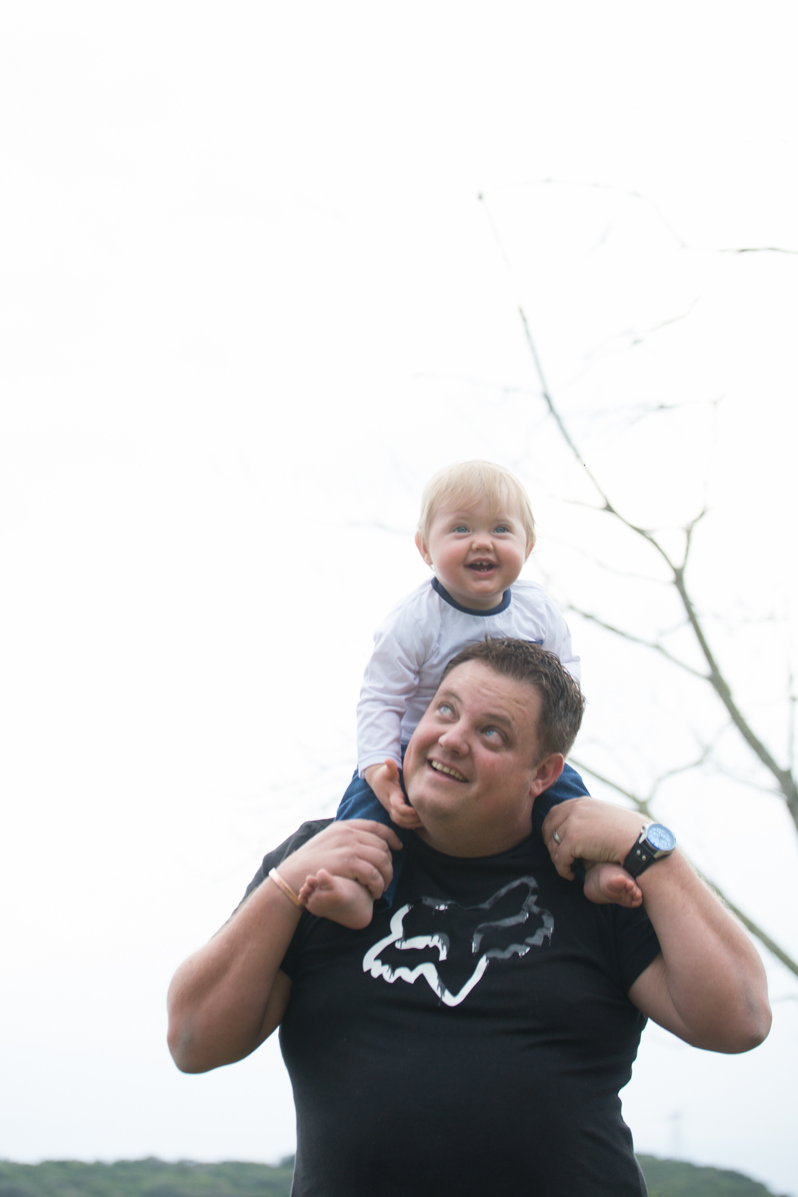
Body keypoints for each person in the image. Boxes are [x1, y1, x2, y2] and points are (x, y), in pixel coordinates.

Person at [167, 639, 771, 1197]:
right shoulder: (322, 869)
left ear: (544, 774)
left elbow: (739, 1020)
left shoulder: (598, 878)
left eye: (492, 733)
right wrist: (283, 887)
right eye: (445, 711)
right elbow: (194, 1041)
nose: (453, 739)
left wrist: (651, 851)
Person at [337, 458, 631, 906]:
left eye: (501, 529)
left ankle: (595, 864)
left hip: (511, 753)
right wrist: (379, 765)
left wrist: (549, 742)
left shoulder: (536, 610)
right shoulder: (415, 620)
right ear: (425, 548)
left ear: (528, 547)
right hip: (414, 747)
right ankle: (355, 884)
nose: (482, 542)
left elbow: (564, 675)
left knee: (567, 795)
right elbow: (381, 698)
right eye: (460, 529)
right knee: (369, 812)